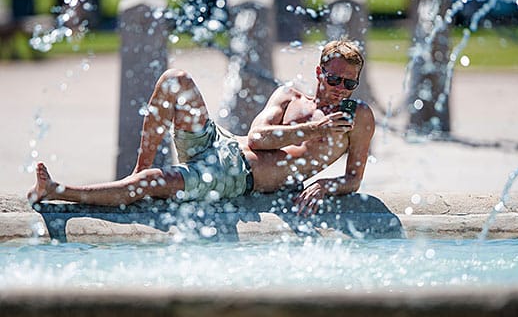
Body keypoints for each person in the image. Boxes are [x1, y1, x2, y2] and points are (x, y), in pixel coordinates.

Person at [27, 40, 375, 216]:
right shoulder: (289, 95)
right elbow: (257, 137)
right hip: (225, 144)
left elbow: (353, 178)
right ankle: (139, 170)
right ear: (319, 72)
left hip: (236, 177)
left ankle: (59, 191)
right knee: (175, 80)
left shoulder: (357, 117)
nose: (340, 89)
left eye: (349, 84)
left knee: (151, 185)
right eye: (334, 79)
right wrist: (316, 129)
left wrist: (326, 186)